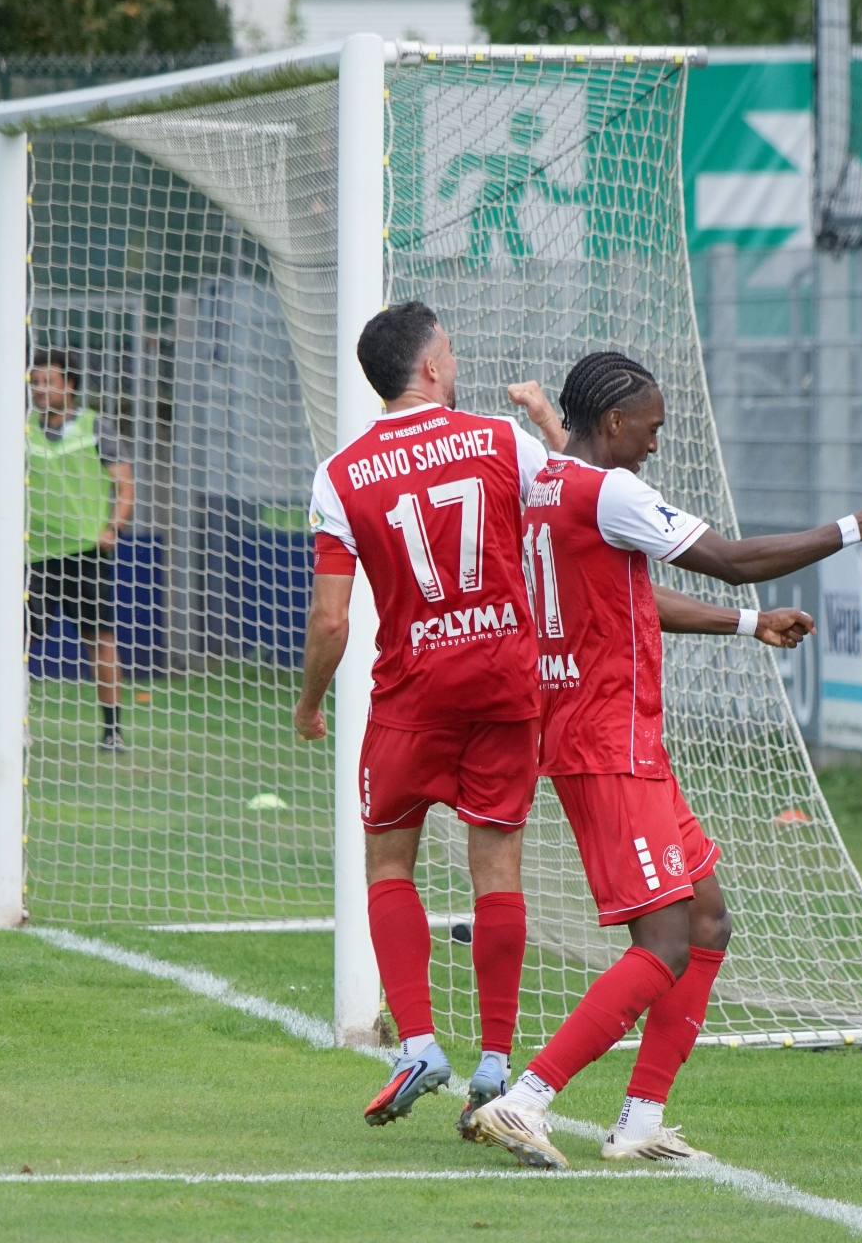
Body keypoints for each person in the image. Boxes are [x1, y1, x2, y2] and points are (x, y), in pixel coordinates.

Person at [468, 352, 862, 1167]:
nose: (656, 444)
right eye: (651, 428)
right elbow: (733, 559)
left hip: (615, 739)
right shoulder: (610, 492)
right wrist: (855, 528)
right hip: (607, 743)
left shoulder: (545, 485)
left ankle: (640, 1120)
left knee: (707, 920)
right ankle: (526, 1099)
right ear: (613, 422)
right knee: (666, 939)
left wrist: (747, 626)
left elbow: (633, 598)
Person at [296, 301, 577, 1138]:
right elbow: (578, 494)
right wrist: (548, 423)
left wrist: (310, 703)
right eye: (449, 351)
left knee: (389, 863)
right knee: (497, 870)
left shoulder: (341, 474)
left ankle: (418, 1044)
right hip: (504, 685)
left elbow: (333, 621)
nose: (455, 361)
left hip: (411, 693)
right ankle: (495, 1063)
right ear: (428, 368)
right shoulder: (500, 440)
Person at [26, 350, 136, 753]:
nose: (40, 390)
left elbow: (125, 487)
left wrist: (113, 527)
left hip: (85, 553)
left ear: (69, 386)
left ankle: (112, 730)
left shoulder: (94, 427)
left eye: (49, 382)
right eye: (36, 382)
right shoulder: (22, 430)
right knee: (19, 640)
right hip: (36, 554)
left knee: (99, 639)